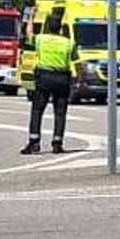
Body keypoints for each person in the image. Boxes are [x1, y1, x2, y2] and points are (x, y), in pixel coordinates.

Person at [21, 14, 78, 154]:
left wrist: (30, 19)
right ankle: (57, 143)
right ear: (60, 28)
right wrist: (76, 79)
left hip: (44, 78)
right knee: (60, 112)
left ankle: (34, 143)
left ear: (47, 26)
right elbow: (76, 60)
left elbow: (28, 34)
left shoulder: (40, 39)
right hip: (62, 79)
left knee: (37, 110)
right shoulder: (69, 43)